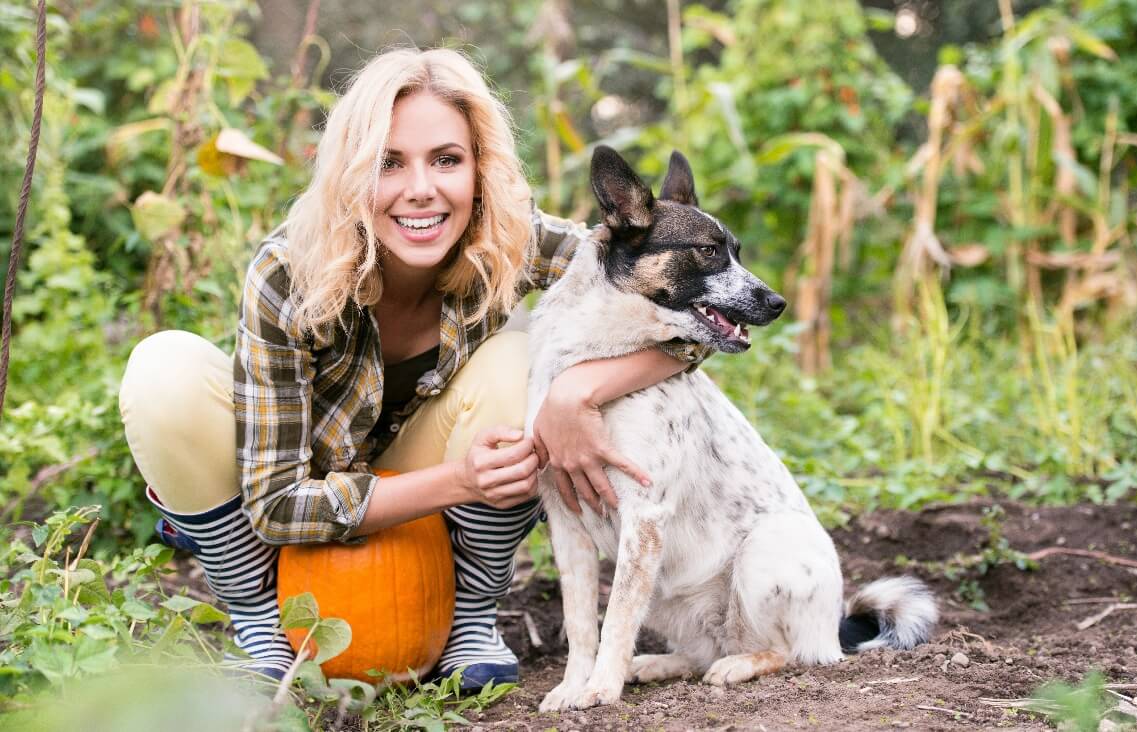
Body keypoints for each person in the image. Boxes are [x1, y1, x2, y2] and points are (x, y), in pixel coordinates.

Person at [118, 47, 708, 689]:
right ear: (348, 170)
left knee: (522, 355)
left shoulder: (514, 239)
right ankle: (259, 620)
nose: (420, 189)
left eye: (446, 160)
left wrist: (577, 393)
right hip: (301, 500)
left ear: (480, 169)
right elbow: (279, 504)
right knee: (162, 370)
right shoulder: (288, 272)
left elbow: (694, 310)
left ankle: (467, 620)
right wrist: (461, 478)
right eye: (387, 162)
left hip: (429, 507)